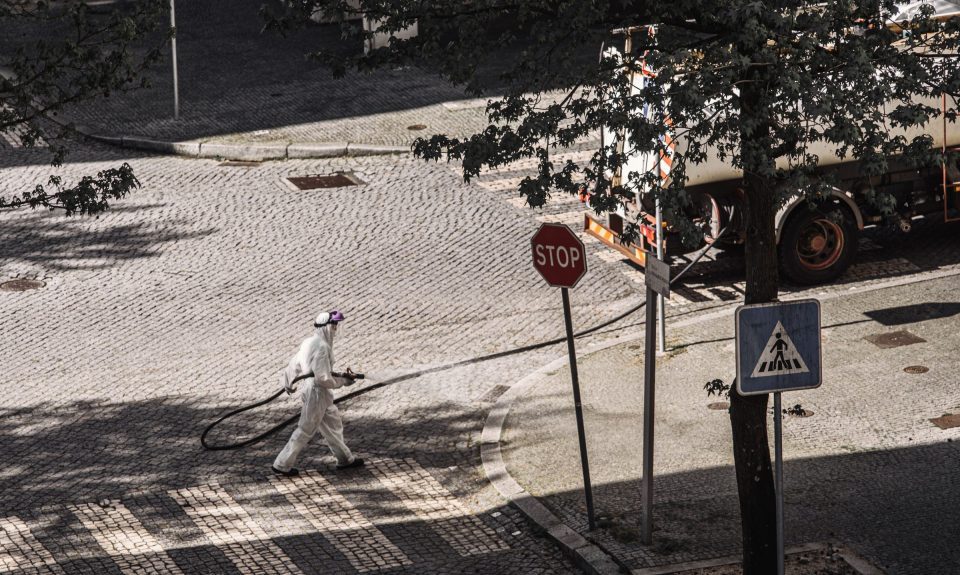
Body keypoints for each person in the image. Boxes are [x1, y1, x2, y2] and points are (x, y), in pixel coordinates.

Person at [272, 310, 363, 477]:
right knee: (305, 429)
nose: (335, 329)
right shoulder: (321, 347)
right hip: (317, 394)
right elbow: (323, 378)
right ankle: (281, 464)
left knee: (333, 425)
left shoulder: (309, 342)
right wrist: (344, 382)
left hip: (319, 394)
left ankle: (345, 459)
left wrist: (287, 380)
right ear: (325, 327)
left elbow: (295, 363)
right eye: (333, 325)